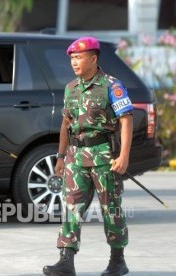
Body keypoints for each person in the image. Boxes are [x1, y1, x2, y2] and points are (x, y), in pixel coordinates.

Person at [42, 36, 133, 276]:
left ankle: (117, 259)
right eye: (72, 58)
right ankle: (66, 260)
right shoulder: (70, 88)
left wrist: (123, 156)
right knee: (71, 207)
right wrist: (61, 156)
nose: (74, 62)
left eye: (79, 58)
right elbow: (66, 124)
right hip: (75, 157)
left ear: (93, 59)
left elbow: (126, 121)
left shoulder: (111, 85)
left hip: (105, 157)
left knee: (110, 209)